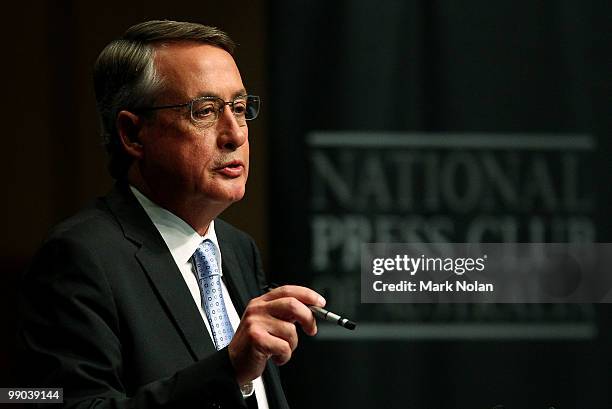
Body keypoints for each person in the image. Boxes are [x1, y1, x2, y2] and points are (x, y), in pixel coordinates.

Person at [18, 20, 325, 409]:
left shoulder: (236, 249)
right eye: (206, 111)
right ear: (133, 134)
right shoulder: (81, 256)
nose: (235, 134)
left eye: (241, 108)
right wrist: (228, 369)